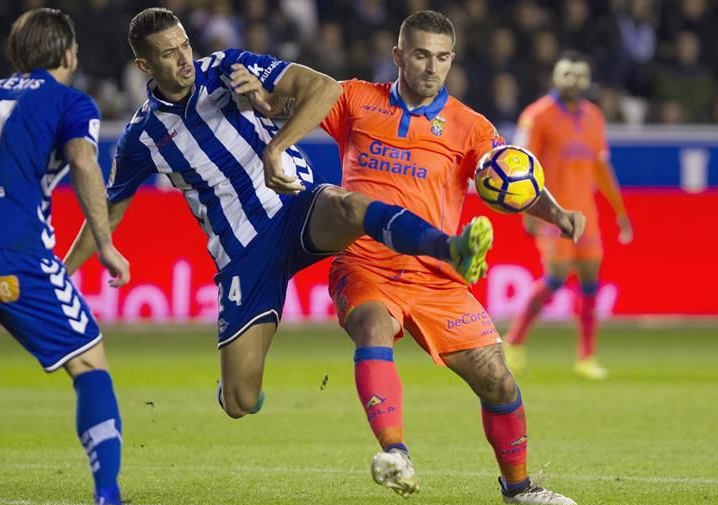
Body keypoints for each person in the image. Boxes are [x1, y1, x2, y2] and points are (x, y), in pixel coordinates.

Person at [63, 8, 489, 423]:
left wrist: (275, 143)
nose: (183, 59)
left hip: (295, 206)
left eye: (184, 45)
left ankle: (449, 248)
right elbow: (109, 207)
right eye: (168, 53)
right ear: (144, 64)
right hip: (246, 251)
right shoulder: (141, 136)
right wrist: (66, 273)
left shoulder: (228, 67)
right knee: (239, 401)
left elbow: (324, 89)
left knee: (350, 205)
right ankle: (238, 387)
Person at [255, 10, 582, 505]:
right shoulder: (354, 98)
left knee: (496, 379)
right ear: (399, 56)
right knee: (372, 327)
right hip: (364, 262)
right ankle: (395, 453)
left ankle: (518, 487)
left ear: (452, 60)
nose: (432, 67)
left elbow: (510, 180)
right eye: (422, 55)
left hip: (436, 275)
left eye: (442, 58)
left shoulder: (471, 127)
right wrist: (256, 96)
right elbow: (286, 103)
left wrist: (556, 212)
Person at [0, 9, 136, 505]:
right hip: (17, 256)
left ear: (16, 54)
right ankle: (108, 502)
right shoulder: (70, 101)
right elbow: (83, 161)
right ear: (69, 54)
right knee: (90, 367)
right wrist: (105, 243)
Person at [504, 51, 634, 380]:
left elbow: (601, 168)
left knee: (591, 281)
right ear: (555, 77)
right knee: (556, 278)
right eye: (566, 74)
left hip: (585, 214)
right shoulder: (537, 116)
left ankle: (586, 357)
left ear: (587, 80)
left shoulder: (594, 117)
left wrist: (620, 211)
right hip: (552, 212)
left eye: (578, 75)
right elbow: (522, 165)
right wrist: (527, 209)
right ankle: (514, 343)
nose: (572, 80)